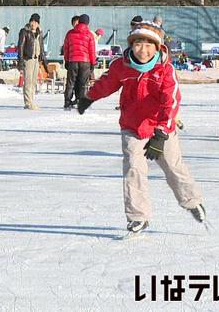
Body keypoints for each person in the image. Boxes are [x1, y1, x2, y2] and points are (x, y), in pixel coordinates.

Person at [77, 21, 206, 234]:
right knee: (134, 170)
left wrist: (162, 133)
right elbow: (108, 82)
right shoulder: (123, 65)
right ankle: (138, 217)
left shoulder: (165, 70)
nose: (143, 50)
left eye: (148, 45)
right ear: (131, 45)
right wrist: (89, 97)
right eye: (138, 44)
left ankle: (191, 201)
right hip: (132, 127)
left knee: (174, 167)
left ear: (157, 47)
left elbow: (171, 102)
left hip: (160, 127)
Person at [62, 14, 96, 110]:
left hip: (73, 60)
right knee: (83, 83)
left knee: (70, 82)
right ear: (87, 23)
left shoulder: (70, 33)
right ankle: (81, 101)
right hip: (85, 62)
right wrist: (93, 63)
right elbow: (92, 50)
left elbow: (66, 48)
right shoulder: (89, 34)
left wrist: (67, 60)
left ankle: (67, 101)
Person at [17, 13, 48, 110]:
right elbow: (20, 47)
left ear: (38, 24)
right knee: (28, 81)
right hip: (28, 59)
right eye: (32, 21)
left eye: (35, 22)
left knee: (34, 82)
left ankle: (31, 101)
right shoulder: (24, 31)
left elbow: (41, 46)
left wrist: (43, 59)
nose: (33, 24)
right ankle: (28, 103)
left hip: (36, 59)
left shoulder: (39, 33)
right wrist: (21, 62)